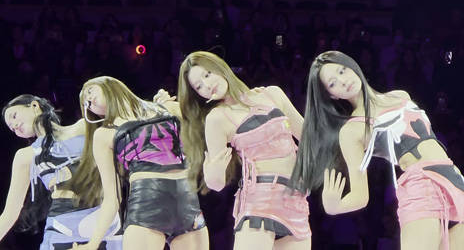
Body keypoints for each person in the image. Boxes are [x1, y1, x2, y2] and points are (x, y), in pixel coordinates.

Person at [291, 50, 464, 249]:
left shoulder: (400, 95)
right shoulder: (352, 130)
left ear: (352, 65)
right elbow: (360, 195)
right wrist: (334, 206)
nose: (343, 81)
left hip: (455, 181)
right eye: (333, 83)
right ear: (331, 95)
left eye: (342, 71)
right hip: (421, 185)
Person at [177, 51, 311, 249]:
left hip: (295, 199)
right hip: (260, 200)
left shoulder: (271, 94)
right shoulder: (217, 118)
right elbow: (216, 183)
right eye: (199, 86)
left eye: (207, 75)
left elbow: (309, 138)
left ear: (219, 68)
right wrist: (212, 171)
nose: (207, 85)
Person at [70, 76, 209, 250]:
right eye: (86, 102)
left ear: (110, 85)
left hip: (187, 202)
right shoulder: (104, 135)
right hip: (147, 205)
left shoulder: (166, 108)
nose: (89, 99)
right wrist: (93, 244)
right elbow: (112, 198)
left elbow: (200, 129)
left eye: (89, 91)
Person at [0, 94, 121, 249]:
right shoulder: (25, 156)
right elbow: (10, 213)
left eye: (14, 116)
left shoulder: (84, 127)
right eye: (12, 128)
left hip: (105, 220)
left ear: (35, 106)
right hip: (61, 227)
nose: (15, 126)